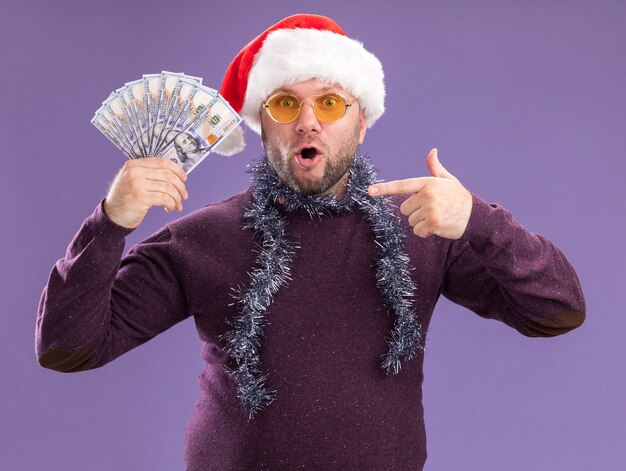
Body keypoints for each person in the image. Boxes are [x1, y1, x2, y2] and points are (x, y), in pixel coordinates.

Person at [36, 14, 585, 471]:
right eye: (283, 105)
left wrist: (480, 222)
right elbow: (68, 347)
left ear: (361, 121)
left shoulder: (423, 225)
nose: (306, 124)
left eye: (328, 103)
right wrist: (110, 222)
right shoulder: (199, 237)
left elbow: (558, 312)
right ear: (261, 123)